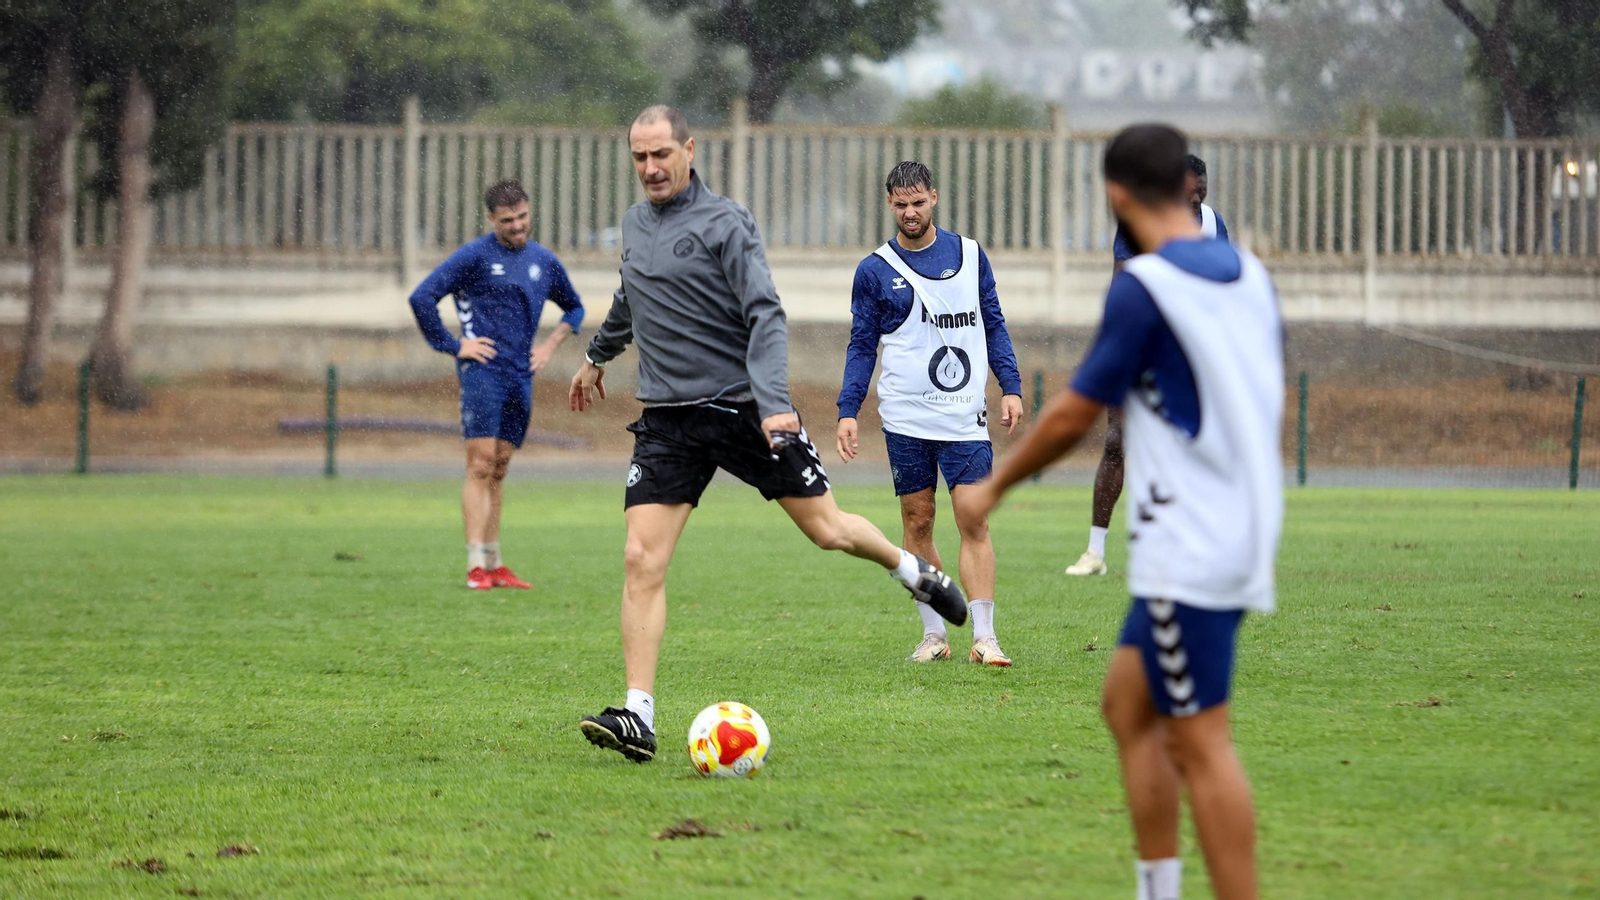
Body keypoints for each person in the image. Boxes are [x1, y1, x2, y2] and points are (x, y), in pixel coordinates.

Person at [568, 106, 968, 763]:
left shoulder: (727, 222)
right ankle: (638, 715)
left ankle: (911, 570)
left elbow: (765, 313)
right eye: (640, 158)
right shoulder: (636, 226)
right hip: (668, 418)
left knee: (828, 531)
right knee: (641, 557)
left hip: (742, 408)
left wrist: (775, 403)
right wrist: (597, 356)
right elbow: (629, 299)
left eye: (662, 154)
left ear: (689, 149)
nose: (651, 168)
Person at [965, 124, 1283, 900]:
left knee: (1202, 742)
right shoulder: (1247, 271)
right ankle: (1157, 888)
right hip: (1238, 526)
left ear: (1116, 195)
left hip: (1191, 544)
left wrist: (995, 487)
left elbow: (1076, 412)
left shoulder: (1148, 285)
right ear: (1187, 186)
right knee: (1126, 704)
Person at [835, 160, 1024, 666]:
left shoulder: (968, 255)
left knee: (973, 518)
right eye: (901, 204)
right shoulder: (874, 270)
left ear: (934, 198)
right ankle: (934, 634)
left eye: (918, 202)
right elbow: (861, 346)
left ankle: (985, 637)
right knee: (918, 522)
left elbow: (994, 323)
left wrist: (1011, 386)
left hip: (964, 414)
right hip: (905, 417)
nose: (910, 212)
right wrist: (847, 409)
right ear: (889, 204)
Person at [409, 180, 584, 591]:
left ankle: (495, 561)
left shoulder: (543, 260)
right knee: (481, 464)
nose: (518, 226)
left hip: (520, 375)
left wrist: (549, 346)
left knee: (501, 468)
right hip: (482, 372)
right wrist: (455, 346)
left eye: (523, 217)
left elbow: (575, 307)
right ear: (492, 219)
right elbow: (422, 298)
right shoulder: (474, 257)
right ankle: (474, 565)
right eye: (508, 220)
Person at [1066, 154, 1229, 577]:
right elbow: (1125, 283)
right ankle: (1095, 552)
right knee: (1117, 441)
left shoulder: (1214, 225)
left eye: (1199, 199)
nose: (1194, 207)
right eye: (1186, 199)